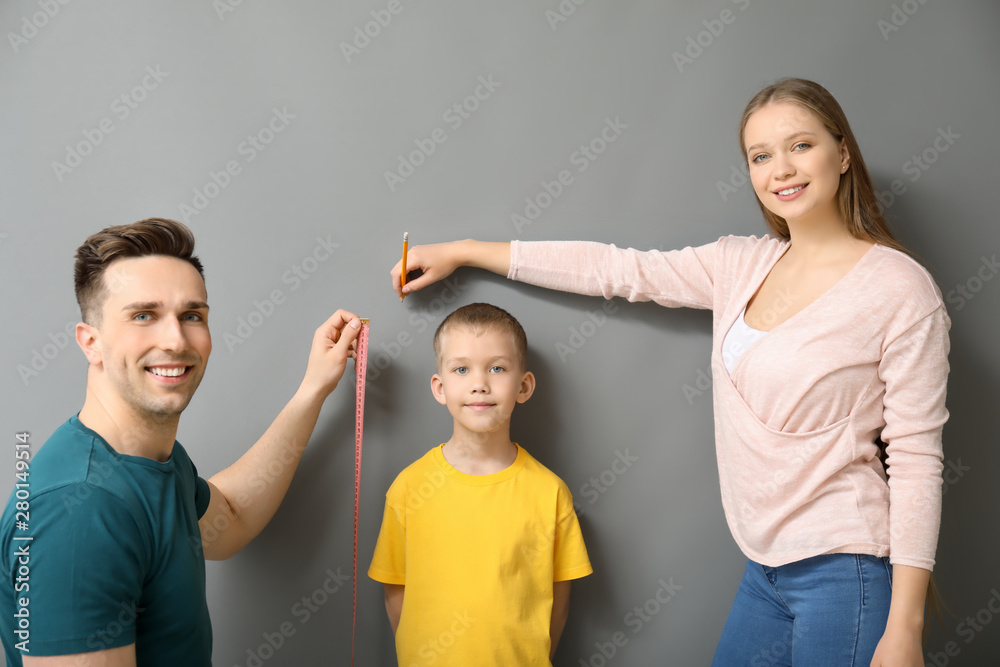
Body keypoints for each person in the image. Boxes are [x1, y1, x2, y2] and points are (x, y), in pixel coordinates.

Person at [387, 79, 950, 666]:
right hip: (766, 568)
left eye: (800, 145)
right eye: (760, 156)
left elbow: (915, 457)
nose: (780, 168)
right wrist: (465, 251)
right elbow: (615, 269)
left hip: (846, 571)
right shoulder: (740, 263)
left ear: (842, 152)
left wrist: (904, 626)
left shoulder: (898, 288)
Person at [0, 218, 362, 666]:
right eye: (143, 316)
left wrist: (313, 390)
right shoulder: (80, 512)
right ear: (91, 343)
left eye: (192, 315)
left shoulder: (148, 461)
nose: (175, 339)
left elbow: (229, 520)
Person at [368, 302, 592, 666]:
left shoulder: (550, 493)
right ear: (440, 388)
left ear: (523, 385)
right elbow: (395, 590)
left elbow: (558, 602)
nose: (479, 384)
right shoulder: (409, 488)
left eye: (497, 368)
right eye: (461, 369)